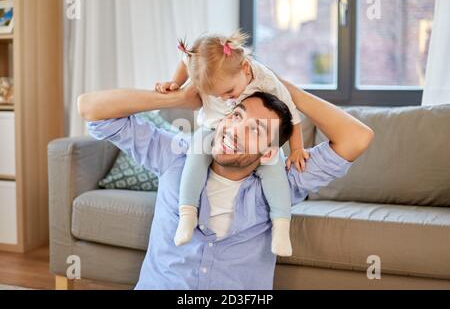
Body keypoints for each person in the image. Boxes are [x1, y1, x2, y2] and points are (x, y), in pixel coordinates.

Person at [78, 81, 373, 289]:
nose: (235, 131)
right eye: (236, 117)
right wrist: (176, 99)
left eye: (255, 131)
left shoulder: (285, 180)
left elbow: (357, 138)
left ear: (269, 153)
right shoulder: (176, 155)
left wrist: (287, 91)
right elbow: (90, 109)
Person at [155, 31, 308, 256]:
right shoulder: (201, 64)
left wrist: (297, 149)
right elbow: (186, 60)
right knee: (195, 157)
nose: (226, 98)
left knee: (274, 166)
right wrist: (175, 83)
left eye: (229, 92)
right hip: (213, 128)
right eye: (216, 95)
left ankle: (281, 226)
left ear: (245, 68)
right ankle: (187, 214)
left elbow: (291, 114)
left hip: (249, 136)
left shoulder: (264, 78)